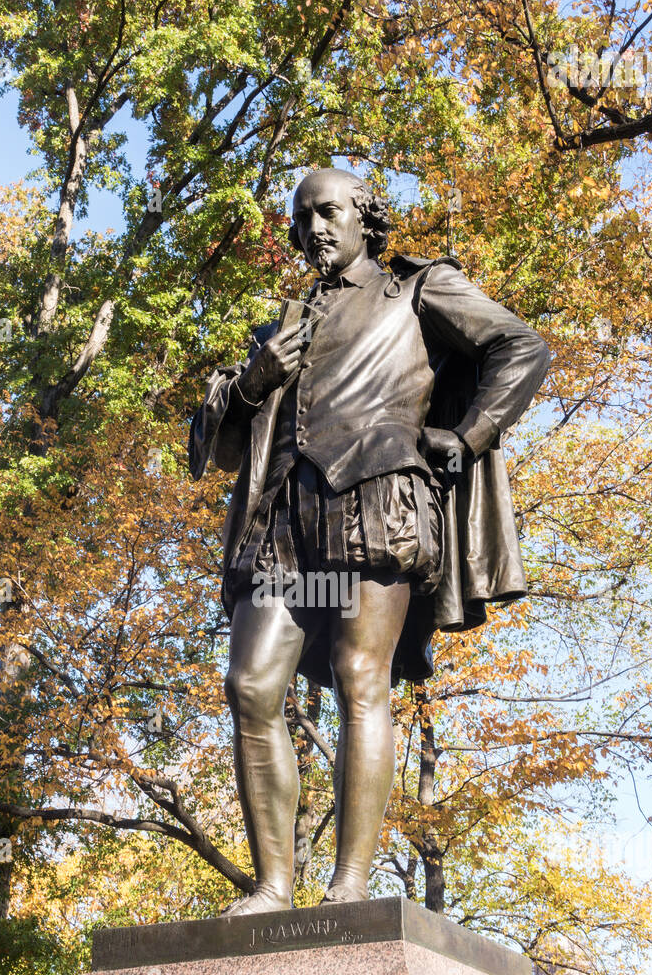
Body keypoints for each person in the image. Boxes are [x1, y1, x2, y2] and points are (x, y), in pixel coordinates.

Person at [189, 167, 550, 915]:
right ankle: (272, 888)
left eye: (328, 213)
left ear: (365, 219)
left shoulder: (415, 291)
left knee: (361, 677)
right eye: (302, 220)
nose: (314, 229)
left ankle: (349, 886)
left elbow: (521, 346)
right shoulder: (280, 327)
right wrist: (258, 377)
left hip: (377, 505)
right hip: (286, 523)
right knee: (251, 686)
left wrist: (471, 432)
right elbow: (218, 446)